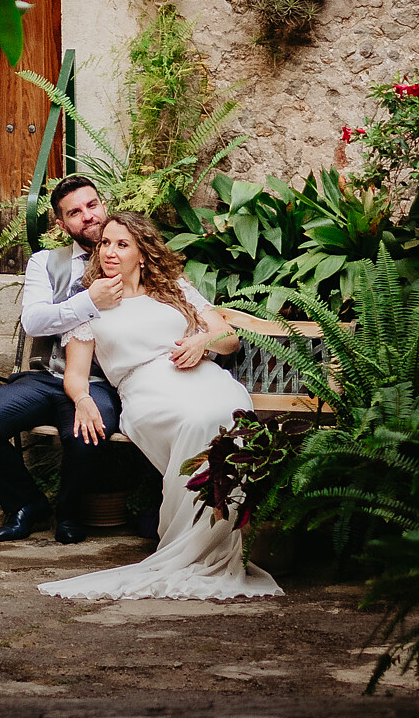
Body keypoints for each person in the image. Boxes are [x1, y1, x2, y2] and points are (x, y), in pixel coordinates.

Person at [38, 211, 282, 602]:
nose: (110, 252)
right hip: (146, 391)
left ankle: (224, 539)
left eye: (122, 244)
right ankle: (190, 545)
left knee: (229, 414)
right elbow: (76, 374)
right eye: (105, 244)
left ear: (143, 253)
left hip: (204, 376)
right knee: (197, 421)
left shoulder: (175, 288)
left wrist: (203, 343)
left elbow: (228, 338)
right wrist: (83, 401)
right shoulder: (88, 303)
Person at [0, 174, 125, 544]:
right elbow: (34, 320)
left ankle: (69, 510)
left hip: (98, 382)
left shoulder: (129, 256)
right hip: (46, 376)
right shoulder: (45, 263)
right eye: (75, 212)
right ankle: (26, 504)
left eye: (92, 205)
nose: (87, 216)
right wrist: (89, 301)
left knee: (87, 435)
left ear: (104, 205)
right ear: (61, 223)